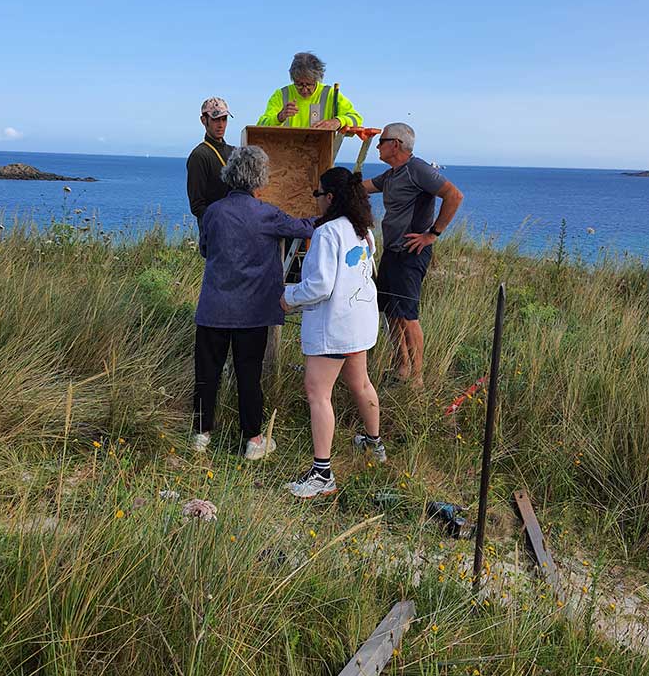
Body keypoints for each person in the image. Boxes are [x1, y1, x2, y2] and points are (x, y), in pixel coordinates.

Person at [194, 145, 314, 459]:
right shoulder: (268, 214)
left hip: (213, 309)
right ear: (259, 179)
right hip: (251, 313)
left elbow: (205, 250)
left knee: (208, 373)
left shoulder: (213, 212)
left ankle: (201, 434)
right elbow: (304, 228)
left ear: (230, 175)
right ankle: (253, 440)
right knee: (249, 375)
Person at [281, 167, 384, 499]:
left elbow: (320, 286)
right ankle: (373, 445)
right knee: (361, 382)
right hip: (360, 321)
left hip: (334, 325)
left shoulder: (327, 233)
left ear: (330, 197)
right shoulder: (364, 230)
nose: (317, 201)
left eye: (318, 194)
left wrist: (287, 297)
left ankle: (322, 473)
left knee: (317, 393)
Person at [362, 123, 463, 386]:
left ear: (395, 144)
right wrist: (336, 184)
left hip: (411, 253)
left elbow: (454, 195)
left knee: (407, 315)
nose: (378, 146)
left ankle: (416, 378)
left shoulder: (417, 169)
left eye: (381, 140)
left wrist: (432, 234)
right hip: (392, 252)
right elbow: (364, 187)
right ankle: (402, 367)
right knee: (391, 312)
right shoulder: (392, 174)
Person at [257, 51, 362, 130]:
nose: (304, 89)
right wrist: (279, 117)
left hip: (320, 154)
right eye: (299, 84)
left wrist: (338, 121)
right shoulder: (281, 95)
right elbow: (261, 125)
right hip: (286, 153)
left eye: (309, 84)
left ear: (317, 79)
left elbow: (356, 118)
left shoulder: (329, 94)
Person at [186, 97, 235, 226]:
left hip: (235, 227)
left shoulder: (234, 152)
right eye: (215, 119)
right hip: (213, 230)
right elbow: (197, 206)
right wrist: (220, 221)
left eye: (224, 119)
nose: (221, 125)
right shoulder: (199, 156)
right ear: (204, 120)